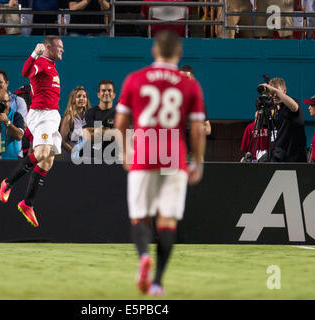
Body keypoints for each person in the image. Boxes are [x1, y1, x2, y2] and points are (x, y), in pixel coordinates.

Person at [114, 31, 206, 296]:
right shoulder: (189, 84)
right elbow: (199, 130)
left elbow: (120, 124)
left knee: (141, 216)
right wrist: (197, 162)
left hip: (144, 155)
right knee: (167, 222)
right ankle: (157, 283)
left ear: (154, 51)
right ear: (179, 54)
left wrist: (125, 153)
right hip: (174, 158)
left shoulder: (135, 79)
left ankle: (144, 255)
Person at [0, 36, 64, 228]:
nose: (62, 50)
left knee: (48, 160)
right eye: (60, 47)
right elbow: (26, 71)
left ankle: (27, 203)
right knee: (41, 152)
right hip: (41, 115)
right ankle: (8, 183)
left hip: (52, 115)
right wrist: (35, 53)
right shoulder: (41, 62)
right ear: (48, 48)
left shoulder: (51, 64)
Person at [260, 77, 306, 162]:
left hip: (293, 158)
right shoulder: (272, 108)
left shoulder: (291, 103)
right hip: (276, 155)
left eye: (277, 91)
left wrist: (275, 91)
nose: (274, 95)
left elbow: (294, 107)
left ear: (284, 91)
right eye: (272, 92)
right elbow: (260, 125)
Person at [82, 80, 117, 162]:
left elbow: (121, 136)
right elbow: (87, 136)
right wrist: (110, 132)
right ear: (98, 94)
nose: (106, 93)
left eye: (109, 90)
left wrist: (96, 131)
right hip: (93, 158)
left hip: (114, 159)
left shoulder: (119, 114)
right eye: (103, 90)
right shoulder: (90, 113)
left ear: (114, 95)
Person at [60, 86, 91, 161]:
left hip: (88, 155)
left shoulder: (90, 116)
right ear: (73, 99)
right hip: (72, 156)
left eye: (84, 96)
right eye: (78, 96)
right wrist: (75, 153)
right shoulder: (68, 118)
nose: (82, 99)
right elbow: (62, 141)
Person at [179, 65, 211, 135]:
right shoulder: (171, 100)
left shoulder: (198, 102)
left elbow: (208, 129)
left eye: (187, 79)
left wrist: (196, 127)